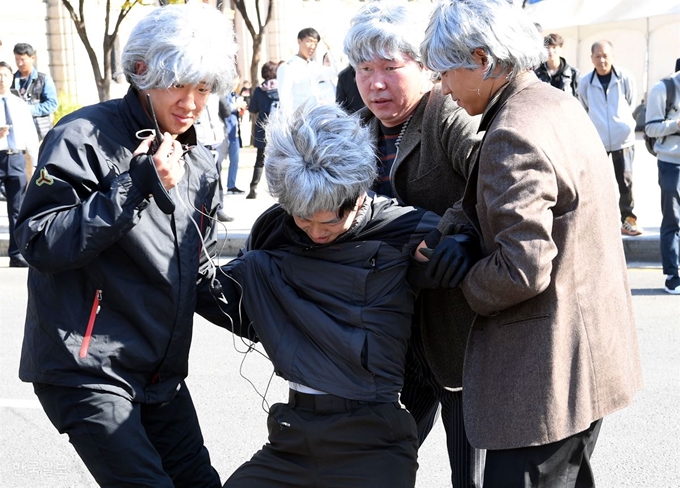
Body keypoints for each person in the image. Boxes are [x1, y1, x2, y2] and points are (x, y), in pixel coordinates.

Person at [14, 4, 238, 486]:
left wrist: (267, 316)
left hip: (159, 375)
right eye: (179, 83)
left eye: (203, 87)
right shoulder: (82, 136)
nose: (192, 101)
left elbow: (194, 269)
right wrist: (134, 185)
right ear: (142, 72)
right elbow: (38, 240)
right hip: (85, 369)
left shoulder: (197, 156)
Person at [421, 1, 643, 487]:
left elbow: (523, 267)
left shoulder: (513, 130)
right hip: (583, 363)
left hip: (542, 381)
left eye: (444, 73)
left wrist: (464, 279)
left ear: (481, 60)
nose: (443, 88)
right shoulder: (552, 102)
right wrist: (459, 232)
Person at [221, 101, 440, 488]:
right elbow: (243, 305)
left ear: (358, 195)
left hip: (374, 439)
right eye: (302, 219)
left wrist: (449, 249)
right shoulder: (275, 228)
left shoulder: (405, 228)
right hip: (293, 432)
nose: (315, 233)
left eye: (329, 221)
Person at [344, 2, 484, 486]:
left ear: (423, 66)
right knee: (376, 463)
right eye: (364, 69)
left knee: (471, 471)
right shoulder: (357, 131)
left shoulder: (447, 113)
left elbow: (492, 186)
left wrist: (459, 235)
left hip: (459, 331)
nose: (375, 83)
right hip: (393, 333)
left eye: (389, 67)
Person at [578, 39, 641, 236]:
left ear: (612, 56)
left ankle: (628, 220)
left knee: (625, 182)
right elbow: (584, 107)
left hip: (623, 140)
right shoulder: (585, 82)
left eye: (605, 56)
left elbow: (631, 102)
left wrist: (622, 124)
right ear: (591, 58)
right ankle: (601, 223)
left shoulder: (625, 77)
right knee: (598, 183)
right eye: (598, 56)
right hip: (598, 142)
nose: (602, 60)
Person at [645, 60, 680, 294]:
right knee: (673, 220)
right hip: (671, 163)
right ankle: (672, 275)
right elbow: (650, 128)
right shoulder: (663, 89)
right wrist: (676, 124)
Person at [0, 60, 39, 268]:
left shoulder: (19, 104)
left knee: (17, 208)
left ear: (11, 77)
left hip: (15, 157)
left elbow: (30, 135)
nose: (1, 80)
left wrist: (35, 162)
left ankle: (16, 254)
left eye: (5, 75)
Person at [195, 92, 233, 221]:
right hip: (199, 141)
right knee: (199, 178)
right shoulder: (193, 92)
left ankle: (219, 208)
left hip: (215, 139)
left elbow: (226, 111)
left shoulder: (216, 94)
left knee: (217, 176)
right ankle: (203, 210)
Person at [246, 60, 279, 199]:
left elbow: (253, 109)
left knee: (260, 158)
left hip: (263, 127)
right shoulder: (280, 88)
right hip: (278, 127)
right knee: (280, 158)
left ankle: (253, 187)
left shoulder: (259, 90)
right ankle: (278, 188)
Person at [12, 42, 58, 141]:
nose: (19, 63)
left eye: (23, 60)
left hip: (40, 134)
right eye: (17, 59)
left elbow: (52, 104)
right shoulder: (10, 79)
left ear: (33, 58)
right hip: (17, 134)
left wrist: (27, 109)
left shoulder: (43, 79)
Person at [277, 27, 323, 113]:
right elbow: (285, 100)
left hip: (316, 118)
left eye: (315, 43)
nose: (312, 46)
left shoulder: (314, 67)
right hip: (299, 121)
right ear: (299, 41)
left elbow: (334, 73)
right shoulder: (287, 68)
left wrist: (330, 48)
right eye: (309, 41)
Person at [219, 78, 247, 195]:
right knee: (218, 161)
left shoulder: (234, 94)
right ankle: (217, 187)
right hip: (224, 132)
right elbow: (225, 110)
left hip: (234, 132)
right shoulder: (222, 94)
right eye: (234, 80)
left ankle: (231, 185)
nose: (235, 83)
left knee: (235, 161)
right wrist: (236, 106)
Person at [534, 33, 579, 97]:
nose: (550, 51)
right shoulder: (537, 73)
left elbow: (578, 97)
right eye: (547, 48)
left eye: (554, 47)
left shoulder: (573, 73)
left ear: (560, 48)